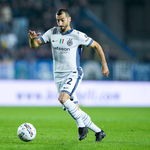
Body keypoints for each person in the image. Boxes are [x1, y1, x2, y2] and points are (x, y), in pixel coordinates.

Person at [28, 8, 109, 142]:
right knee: (74, 109)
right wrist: (32, 39)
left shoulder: (77, 35)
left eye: (62, 20)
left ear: (69, 19)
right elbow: (35, 45)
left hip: (73, 73)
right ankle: (99, 132)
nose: (60, 23)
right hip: (58, 76)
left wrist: (104, 65)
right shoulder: (52, 32)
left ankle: (81, 127)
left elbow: (97, 46)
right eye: (58, 20)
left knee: (62, 98)